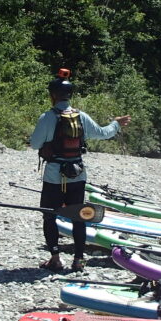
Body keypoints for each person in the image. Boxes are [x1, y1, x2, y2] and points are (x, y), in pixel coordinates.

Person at [29, 69, 131, 272]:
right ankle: (78, 260)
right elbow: (102, 133)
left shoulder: (47, 117)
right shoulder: (81, 116)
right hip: (77, 174)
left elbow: (34, 144)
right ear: (69, 95)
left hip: (54, 176)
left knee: (49, 215)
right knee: (78, 217)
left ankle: (56, 258)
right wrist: (116, 123)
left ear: (53, 95)